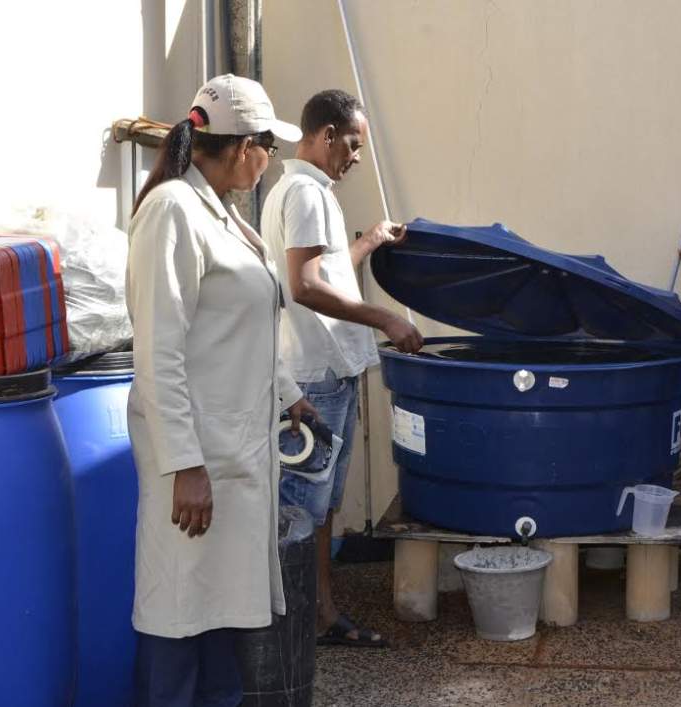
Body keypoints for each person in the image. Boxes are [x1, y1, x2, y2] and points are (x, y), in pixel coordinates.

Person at [127, 74, 317, 706]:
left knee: (221, 620)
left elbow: (242, 324)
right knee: (179, 617)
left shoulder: (225, 216)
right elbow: (159, 351)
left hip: (233, 457)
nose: (272, 160)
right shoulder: (172, 210)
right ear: (244, 149)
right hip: (198, 465)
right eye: (270, 146)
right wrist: (185, 466)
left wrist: (287, 391)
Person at [261, 89, 423, 648]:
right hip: (311, 377)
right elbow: (303, 288)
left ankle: (320, 612)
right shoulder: (305, 194)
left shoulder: (312, 192)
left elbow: (324, 272)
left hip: (329, 371)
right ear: (325, 134)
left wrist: (369, 243)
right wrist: (385, 319)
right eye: (352, 145)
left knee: (322, 505)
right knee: (302, 510)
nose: (356, 157)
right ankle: (293, 628)